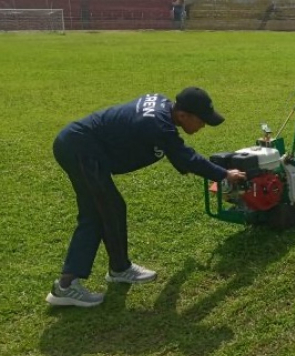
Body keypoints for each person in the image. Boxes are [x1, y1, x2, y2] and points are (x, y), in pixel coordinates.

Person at [46, 87, 246, 307]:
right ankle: (65, 286)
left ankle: (119, 268)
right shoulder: (159, 126)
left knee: (110, 208)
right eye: (201, 120)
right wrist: (225, 174)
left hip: (81, 146)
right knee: (98, 213)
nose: (203, 125)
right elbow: (187, 158)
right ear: (182, 115)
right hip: (81, 149)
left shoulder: (162, 106)